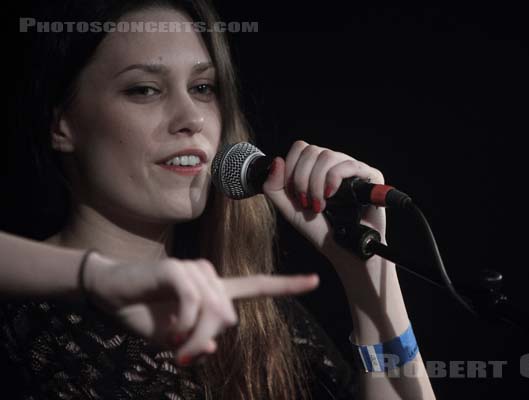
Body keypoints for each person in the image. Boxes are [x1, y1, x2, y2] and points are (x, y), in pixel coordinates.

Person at [2, 0, 435, 398]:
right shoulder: (18, 324)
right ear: (62, 125)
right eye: (144, 90)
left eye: (204, 88)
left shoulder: (260, 318)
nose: (192, 118)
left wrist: (369, 277)